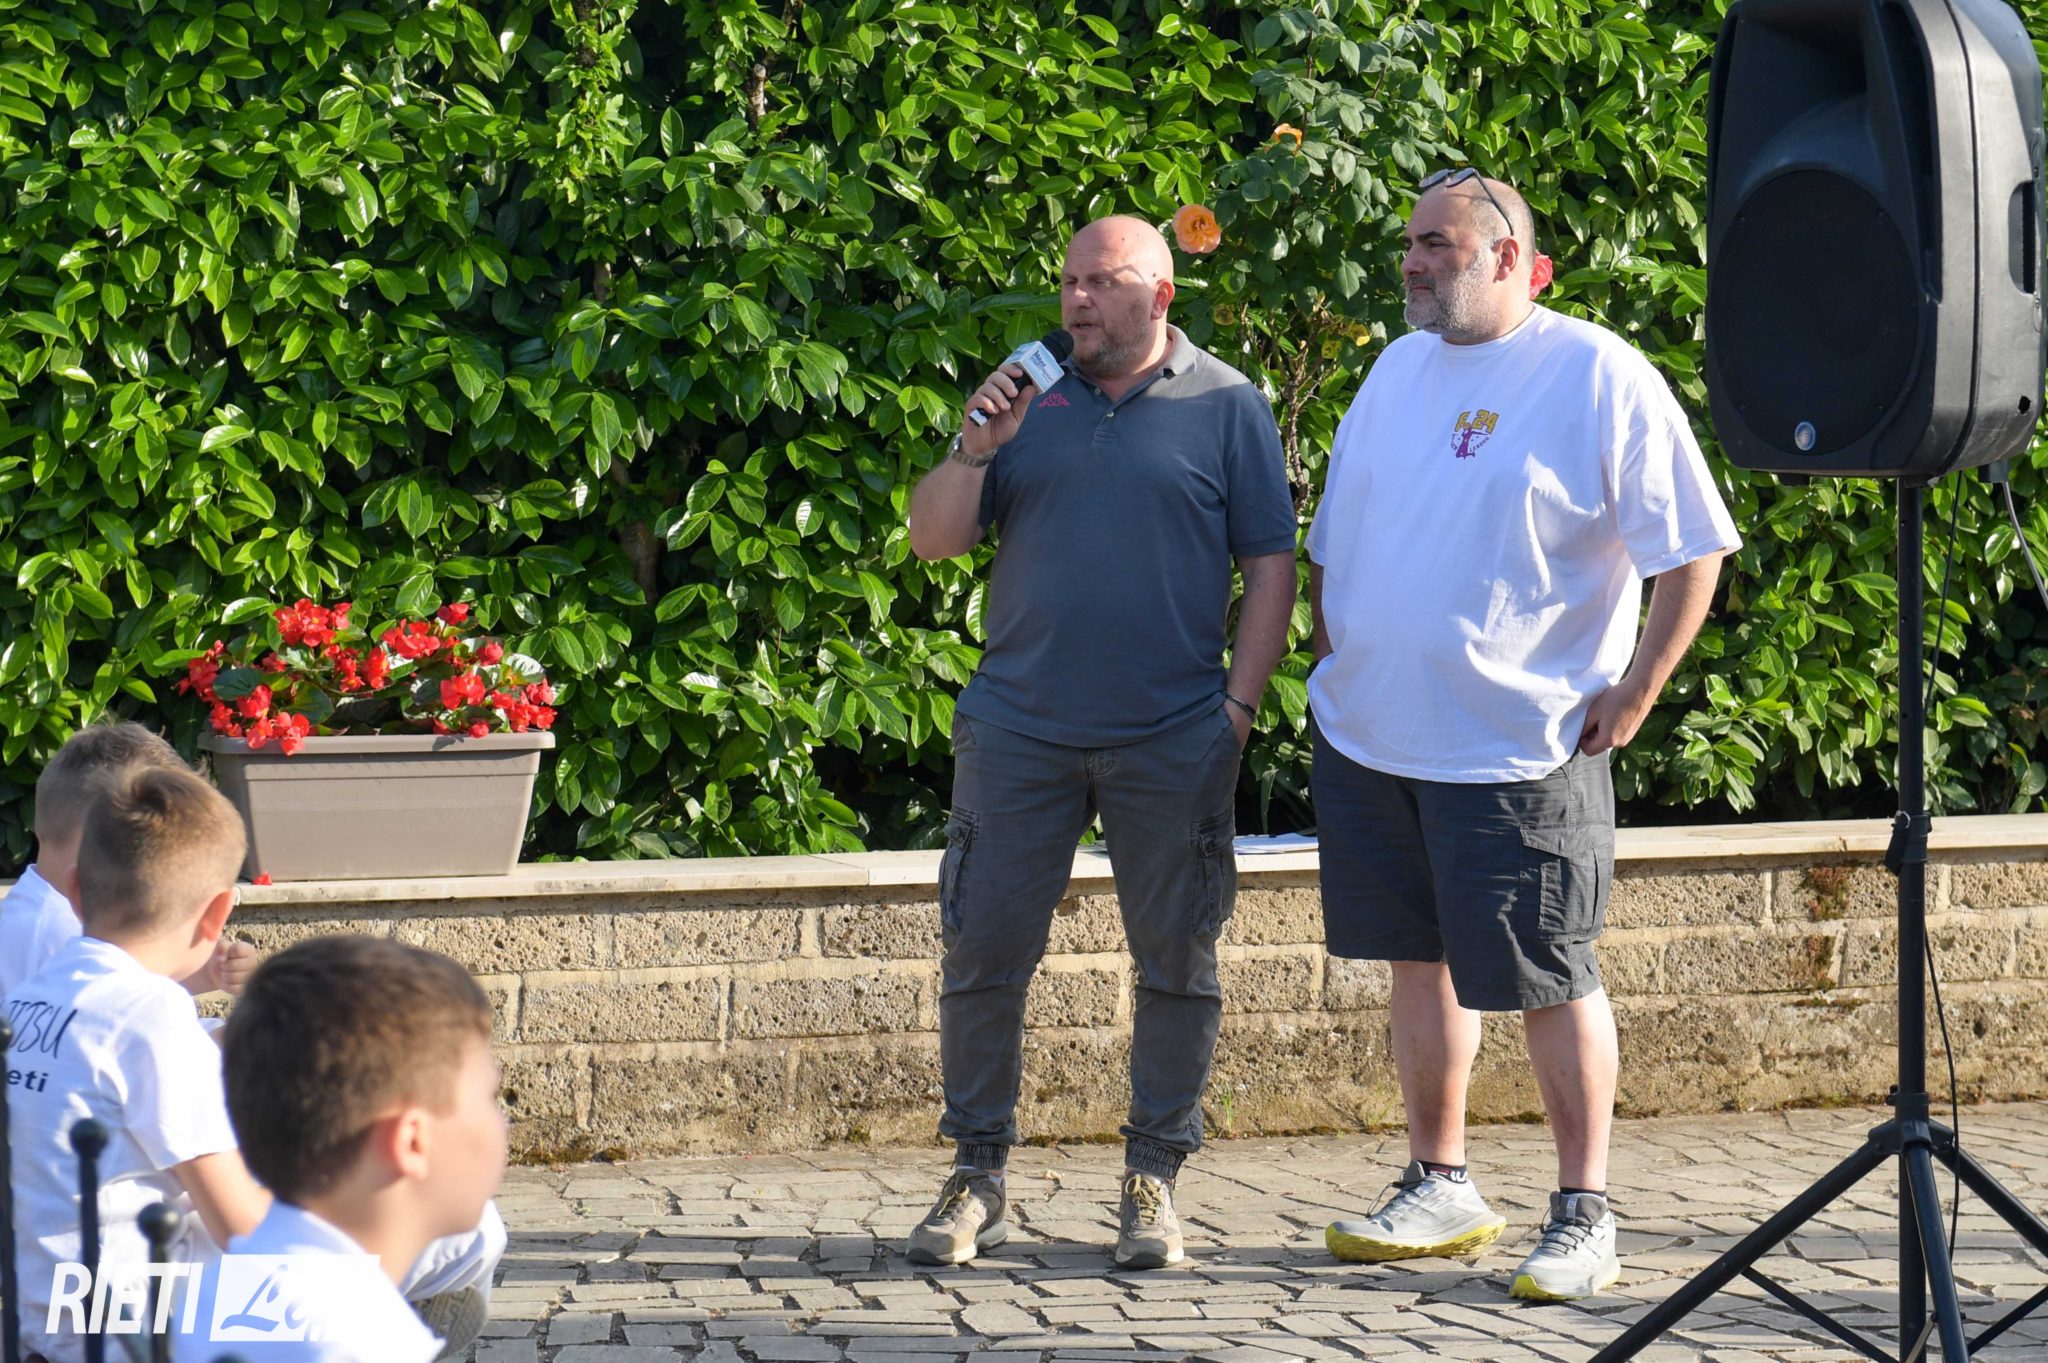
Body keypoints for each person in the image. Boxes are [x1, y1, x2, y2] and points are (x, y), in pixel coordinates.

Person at [1307, 170, 1740, 1300]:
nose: (1412, 262)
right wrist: (1337, 656)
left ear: (1508, 256)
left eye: (1436, 245)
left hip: (1517, 742)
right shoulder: (1394, 370)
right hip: (1373, 736)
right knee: (1417, 961)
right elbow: (1335, 543)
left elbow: (1693, 548)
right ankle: (1439, 1181)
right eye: (1409, 243)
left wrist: (1637, 690)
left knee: (1551, 974)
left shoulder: (1595, 372)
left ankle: (1584, 1211)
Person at [903, 214, 1298, 1269]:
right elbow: (932, 538)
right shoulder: (1022, 403)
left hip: (1171, 737)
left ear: (1160, 294)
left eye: (1101, 282)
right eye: (1069, 281)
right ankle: (976, 1173)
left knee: (1177, 963)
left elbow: (1270, 563)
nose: (1075, 299)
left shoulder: (1227, 405)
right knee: (982, 955)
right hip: (1017, 732)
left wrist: (1237, 709)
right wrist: (973, 446)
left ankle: (1153, 1177)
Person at [6, 765, 271, 1363]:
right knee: (442, 1246)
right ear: (218, 912)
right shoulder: (151, 1014)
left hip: (39, 1320)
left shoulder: (27, 998)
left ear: (74, 889)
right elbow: (241, 1229)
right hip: (130, 1330)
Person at [211, 935, 509, 1362]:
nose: (503, 1123)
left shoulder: (223, 1292)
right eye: (487, 1098)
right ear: (411, 1141)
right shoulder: (356, 1347)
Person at [0, 721, 257, 1003]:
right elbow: (119, 1008)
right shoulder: (62, 935)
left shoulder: (36, 914)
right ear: (104, 833)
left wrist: (206, 974)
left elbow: (123, 988)